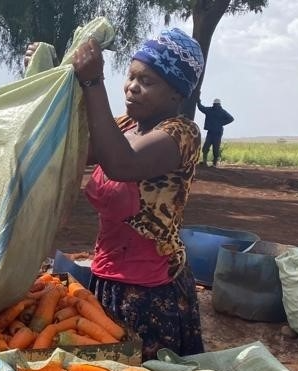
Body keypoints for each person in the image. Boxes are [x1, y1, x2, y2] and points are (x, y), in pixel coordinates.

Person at [25, 28, 205, 360]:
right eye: (131, 77)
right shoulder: (123, 126)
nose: (132, 87)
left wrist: (93, 83)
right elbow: (69, 146)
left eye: (147, 82)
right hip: (107, 279)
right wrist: (46, 78)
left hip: (152, 290)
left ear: (177, 94)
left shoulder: (182, 134)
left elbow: (121, 163)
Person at [196, 98, 234, 167]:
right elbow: (231, 118)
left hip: (211, 132)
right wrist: (222, 123)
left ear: (213, 103)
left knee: (206, 147)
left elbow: (201, 108)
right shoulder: (222, 111)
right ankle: (214, 163)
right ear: (220, 104)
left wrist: (198, 102)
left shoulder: (210, 110)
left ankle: (205, 162)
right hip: (218, 132)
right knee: (215, 148)